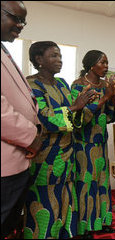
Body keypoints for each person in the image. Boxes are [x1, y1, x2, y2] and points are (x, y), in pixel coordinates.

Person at [24, 41, 97, 239]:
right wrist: (75, 108)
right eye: (54, 56)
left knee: (65, 201)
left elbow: (76, 118)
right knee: (44, 205)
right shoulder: (30, 85)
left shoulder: (63, 84)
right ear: (39, 60)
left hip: (67, 155)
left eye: (61, 56)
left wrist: (82, 106)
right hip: (45, 158)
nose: (60, 60)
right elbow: (43, 118)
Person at [1, 1, 42, 238]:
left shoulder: (5, 49)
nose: (20, 25)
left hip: (17, 158)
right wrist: (31, 136)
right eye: (15, 18)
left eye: (23, 21)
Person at [71, 50, 115, 238]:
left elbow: (109, 116)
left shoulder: (104, 85)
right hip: (84, 143)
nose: (106, 66)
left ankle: (102, 221)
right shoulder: (78, 86)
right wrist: (106, 97)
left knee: (102, 183)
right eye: (103, 63)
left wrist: (113, 96)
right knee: (86, 183)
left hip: (100, 141)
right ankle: (85, 226)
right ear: (92, 65)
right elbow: (80, 118)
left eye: (107, 63)